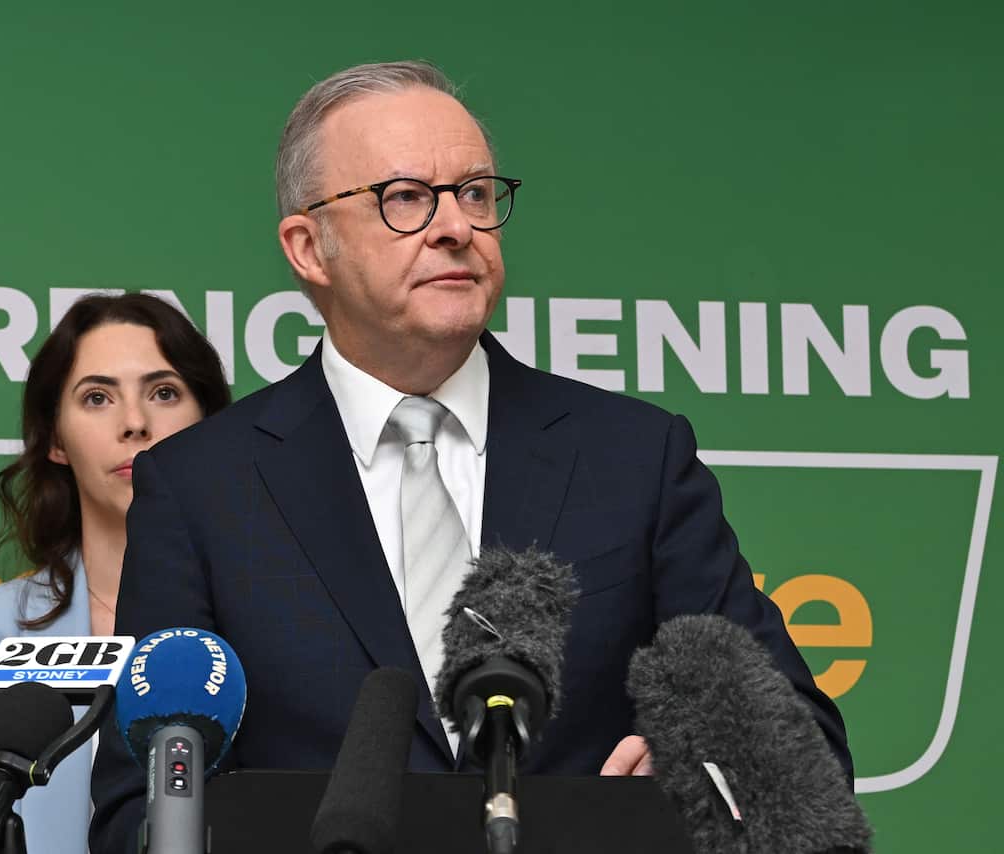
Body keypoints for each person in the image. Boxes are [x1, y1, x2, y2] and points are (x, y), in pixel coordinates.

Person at [91, 61, 852, 850]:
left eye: (477, 194)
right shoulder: (202, 487)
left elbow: (803, 745)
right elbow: (134, 807)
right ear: (310, 248)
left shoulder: (635, 459)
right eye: (406, 198)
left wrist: (699, 773)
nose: (456, 226)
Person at [0, 293, 229, 853]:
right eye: (97, 397)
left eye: (164, 392)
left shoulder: (278, 612)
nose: (135, 423)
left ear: (213, 426)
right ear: (55, 438)